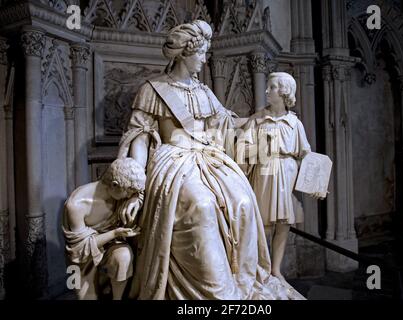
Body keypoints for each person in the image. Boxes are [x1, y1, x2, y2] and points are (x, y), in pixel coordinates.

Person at [118, 20, 304, 300]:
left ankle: (241, 280)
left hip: (210, 157)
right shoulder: (153, 89)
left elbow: (228, 125)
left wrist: (265, 116)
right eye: (201, 53)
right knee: (201, 206)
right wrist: (137, 187)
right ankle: (213, 291)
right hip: (174, 160)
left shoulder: (204, 91)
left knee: (243, 201)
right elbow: (140, 137)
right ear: (184, 54)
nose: (204, 59)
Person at [239, 72, 322, 284]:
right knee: (262, 224)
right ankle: (259, 269)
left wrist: (316, 185)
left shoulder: (295, 123)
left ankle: (275, 270)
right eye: (268, 87)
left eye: (272, 87)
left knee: (283, 223)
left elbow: (305, 155)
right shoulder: (257, 119)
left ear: (284, 92)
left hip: (287, 174)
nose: (267, 91)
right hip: (265, 174)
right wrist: (258, 150)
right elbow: (242, 148)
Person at [62, 158, 145, 299]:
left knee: (123, 256)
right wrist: (115, 233)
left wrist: (136, 198)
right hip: (83, 260)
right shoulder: (76, 205)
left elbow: (140, 191)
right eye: (128, 193)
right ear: (114, 185)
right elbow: (79, 249)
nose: (129, 196)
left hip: (111, 247)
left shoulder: (119, 193)